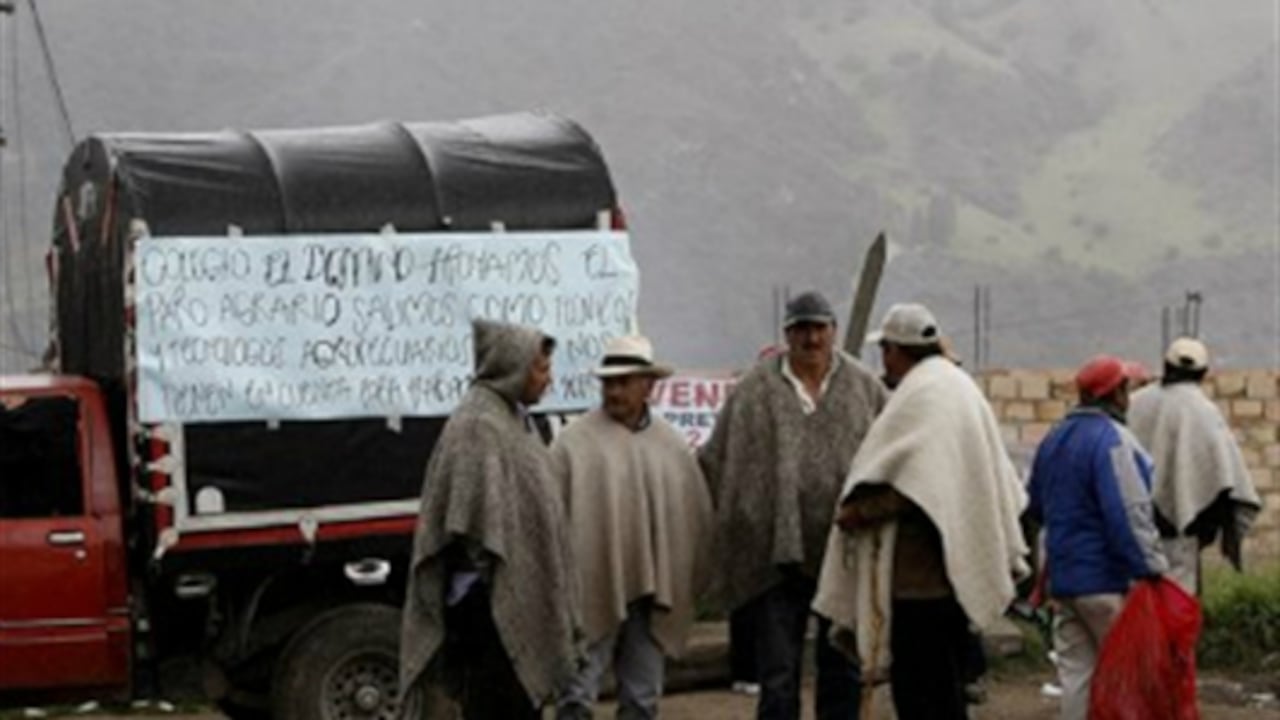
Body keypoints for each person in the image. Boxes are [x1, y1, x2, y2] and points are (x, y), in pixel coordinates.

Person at [814, 303, 1029, 720]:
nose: (885, 362)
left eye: (887, 352)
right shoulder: (956, 386)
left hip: (921, 581)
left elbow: (921, 485)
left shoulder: (925, 394)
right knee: (944, 691)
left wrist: (863, 511)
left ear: (896, 350)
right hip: (950, 576)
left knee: (923, 695)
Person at [700, 290, 887, 720]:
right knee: (779, 672)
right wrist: (742, 516)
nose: (812, 338)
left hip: (843, 552)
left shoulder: (862, 387)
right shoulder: (756, 388)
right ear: (787, 334)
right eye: (802, 328)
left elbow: (891, 450)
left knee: (841, 663)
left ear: (833, 331)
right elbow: (718, 457)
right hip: (775, 555)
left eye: (819, 327)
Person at [399, 319, 580, 720]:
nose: (548, 379)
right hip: (488, 609)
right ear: (512, 366)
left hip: (506, 598)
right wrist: (509, 580)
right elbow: (473, 521)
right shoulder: (478, 426)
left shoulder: (514, 419)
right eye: (541, 368)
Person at [553, 335, 713, 720]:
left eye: (624, 382)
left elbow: (694, 518)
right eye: (609, 382)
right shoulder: (573, 444)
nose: (615, 391)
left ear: (648, 386)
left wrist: (682, 573)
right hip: (590, 587)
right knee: (577, 694)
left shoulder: (671, 447)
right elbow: (552, 517)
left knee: (642, 699)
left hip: (652, 594)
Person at [1025, 354, 1169, 720]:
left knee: (1077, 676)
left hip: (1064, 581)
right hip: (1105, 581)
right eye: (1126, 388)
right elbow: (1128, 513)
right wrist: (1151, 568)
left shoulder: (1053, 440)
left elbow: (1036, 508)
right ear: (1116, 394)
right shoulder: (1114, 440)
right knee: (1126, 676)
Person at [1129, 337, 1263, 594]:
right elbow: (1226, 480)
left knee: (1137, 613)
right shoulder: (1204, 411)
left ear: (1166, 366)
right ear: (1203, 373)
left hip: (1132, 532)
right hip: (1179, 540)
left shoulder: (1135, 403)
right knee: (1177, 613)